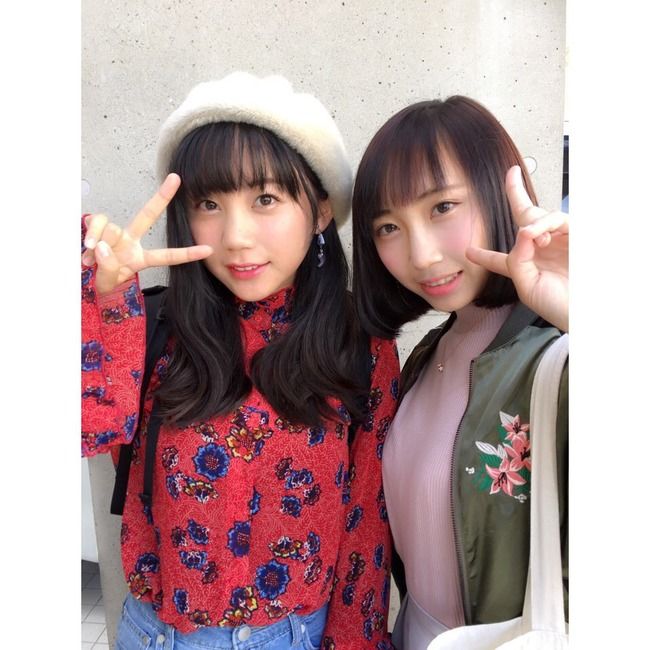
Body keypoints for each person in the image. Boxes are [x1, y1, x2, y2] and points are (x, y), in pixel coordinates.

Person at [81, 72, 399, 650]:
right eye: (210, 203)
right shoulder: (156, 326)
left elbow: (366, 522)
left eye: (265, 199)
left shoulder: (357, 344)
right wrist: (99, 299)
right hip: (151, 634)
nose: (236, 236)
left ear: (320, 211)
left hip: (290, 636)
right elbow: (86, 427)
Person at [351, 95, 568, 649]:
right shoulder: (426, 357)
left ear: (497, 192)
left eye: (442, 207)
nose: (421, 254)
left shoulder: (556, 358)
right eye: (388, 227)